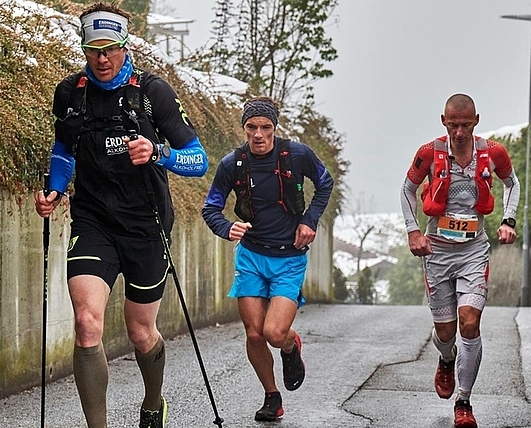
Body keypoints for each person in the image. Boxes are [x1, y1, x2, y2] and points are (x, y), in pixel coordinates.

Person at [34, 3, 208, 428]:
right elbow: (64, 150)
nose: (102, 59)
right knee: (86, 322)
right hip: (93, 221)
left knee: (140, 332)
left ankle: (153, 401)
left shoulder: (152, 93)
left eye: (110, 49)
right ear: (84, 49)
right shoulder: (70, 93)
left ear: (124, 46)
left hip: (146, 224)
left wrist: (158, 153)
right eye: (93, 50)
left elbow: (198, 159)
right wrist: (55, 189)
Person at [201, 96, 334, 421]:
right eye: (251, 128)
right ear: (244, 129)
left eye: (265, 127)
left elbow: (325, 183)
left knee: (275, 333)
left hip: (289, 258)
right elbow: (210, 207)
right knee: (254, 333)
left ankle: (291, 347)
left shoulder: (297, 154)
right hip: (251, 257)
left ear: (274, 128)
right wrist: (226, 227)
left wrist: (309, 220)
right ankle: (272, 396)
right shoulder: (232, 164)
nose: (258, 134)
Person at [400, 93, 520, 428]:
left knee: (470, 322)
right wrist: (413, 232)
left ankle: (464, 402)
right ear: (443, 121)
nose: (460, 132)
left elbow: (512, 184)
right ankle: (446, 357)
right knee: (446, 331)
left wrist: (508, 220)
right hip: (436, 250)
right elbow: (407, 190)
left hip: (473, 250)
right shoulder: (429, 152)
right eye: (453, 125)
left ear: (476, 121)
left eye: (466, 125)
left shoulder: (492, 152)